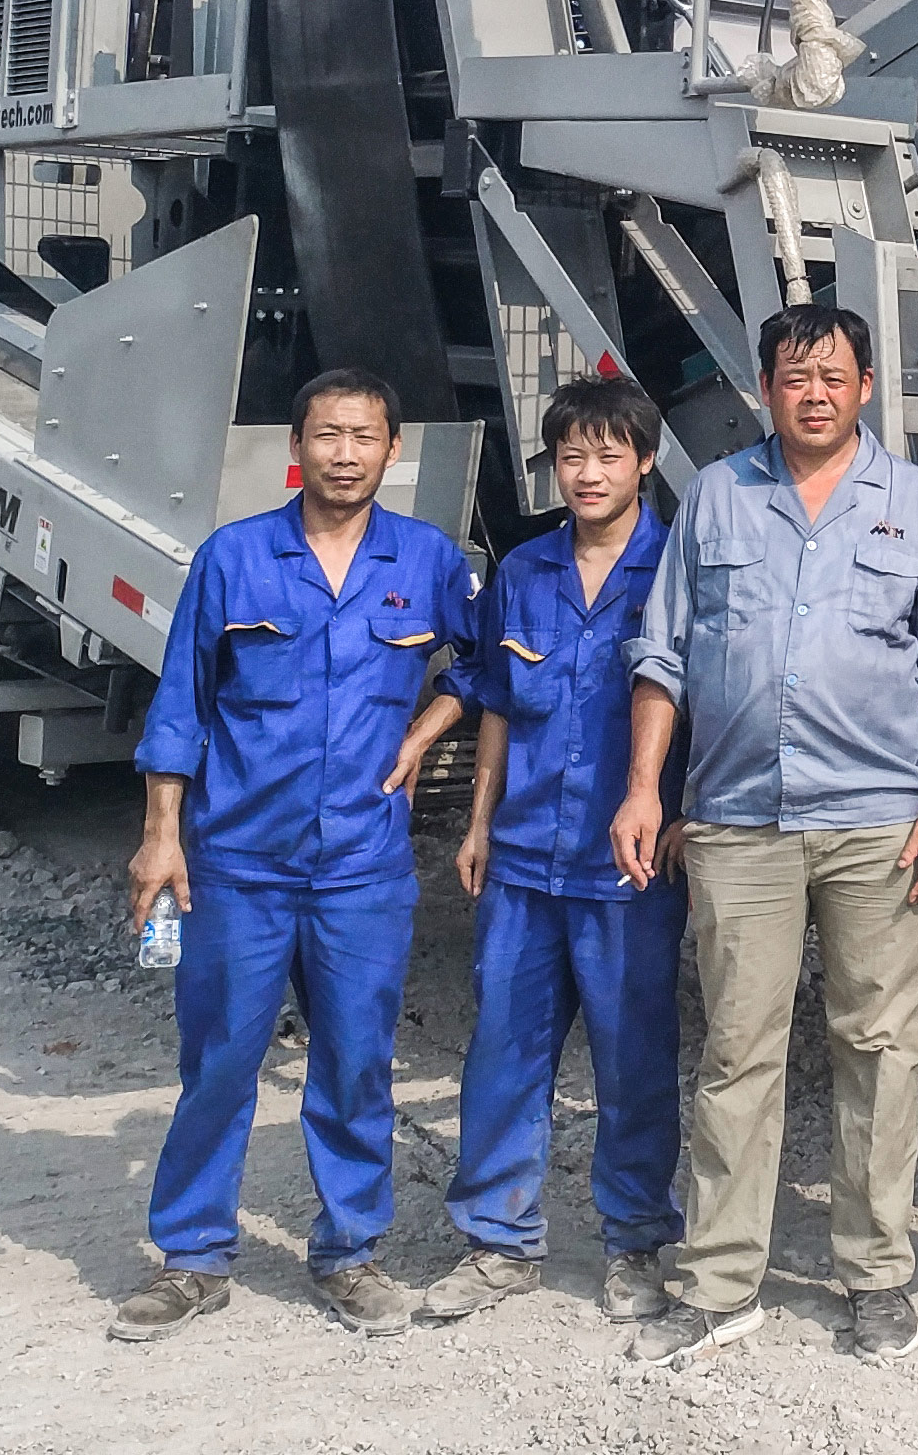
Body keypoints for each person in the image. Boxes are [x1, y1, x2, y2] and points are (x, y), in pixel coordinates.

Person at [614, 302, 918, 1366]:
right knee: (737, 1051)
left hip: (878, 822)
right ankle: (719, 1280)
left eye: (832, 377)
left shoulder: (914, 503)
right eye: (792, 377)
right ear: (766, 390)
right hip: (739, 822)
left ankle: (874, 1275)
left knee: (880, 1050)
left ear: (864, 387)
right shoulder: (717, 498)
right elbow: (663, 655)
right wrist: (645, 789)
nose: (812, 395)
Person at [112, 368, 474, 1341]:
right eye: (326, 436)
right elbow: (180, 704)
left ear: (392, 450)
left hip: (361, 866)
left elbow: (483, 663)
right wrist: (160, 836)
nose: (344, 455)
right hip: (238, 861)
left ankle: (349, 1254)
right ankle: (192, 1258)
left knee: (356, 1063)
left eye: (363, 437)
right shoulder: (234, 558)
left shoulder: (428, 560)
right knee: (220, 1061)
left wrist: (425, 731)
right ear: (296, 448)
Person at [407, 372, 685, 1329]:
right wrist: (479, 823)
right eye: (572, 456)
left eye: (609, 455)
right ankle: (498, 1241)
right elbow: (495, 701)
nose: (589, 473)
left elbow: (708, 701)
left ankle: (636, 1243)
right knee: (504, 1052)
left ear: (645, 461)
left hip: (628, 869)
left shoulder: (678, 569)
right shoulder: (523, 571)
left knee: (633, 1060)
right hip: (525, 858)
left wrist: (686, 814)